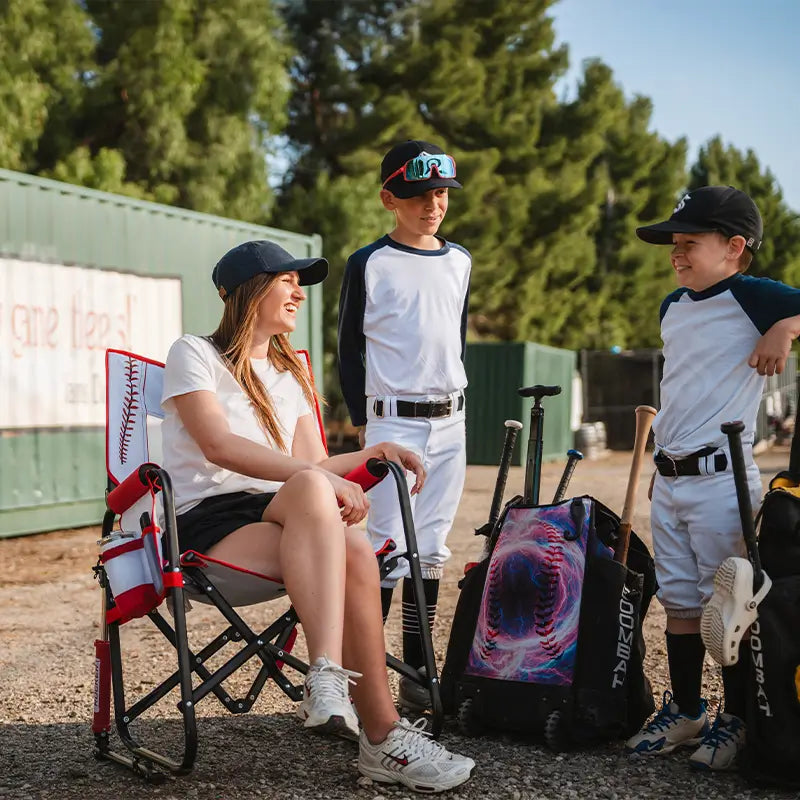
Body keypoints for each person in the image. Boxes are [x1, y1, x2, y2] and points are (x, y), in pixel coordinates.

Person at [160, 239, 475, 793]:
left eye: (298, 283)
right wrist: (322, 479)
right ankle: (329, 676)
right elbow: (218, 446)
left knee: (351, 540)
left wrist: (371, 456)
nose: (297, 293)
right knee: (327, 511)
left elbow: (313, 465)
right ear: (245, 292)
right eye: (285, 281)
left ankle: (380, 734)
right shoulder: (194, 353)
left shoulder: (291, 373)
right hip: (210, 526)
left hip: (284, 512)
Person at [625, 186, 800, 770]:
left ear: (734, 247)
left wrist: (786, 329)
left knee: (728, 605)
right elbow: (681, 390)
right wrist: (660, 462)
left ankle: (737, 718)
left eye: (689, 243)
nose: (677, 253)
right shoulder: (673, 305)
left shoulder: (756, 297)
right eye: (674, 243)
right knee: (678, 599)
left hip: (724, 479)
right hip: (671, 477)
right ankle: (686, 709)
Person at [337, 140, 471, 710]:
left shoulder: (460, 260)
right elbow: (347, 350)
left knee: (432, 549)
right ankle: (363, 683)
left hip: (451, 420)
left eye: (440, 193)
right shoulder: (369, 262)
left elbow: (456, 337)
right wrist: (362, 426)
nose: (432, 204)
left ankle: (418, 680)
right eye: (418, 194)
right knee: (385, 550)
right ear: (390, 197)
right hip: (394, 422)